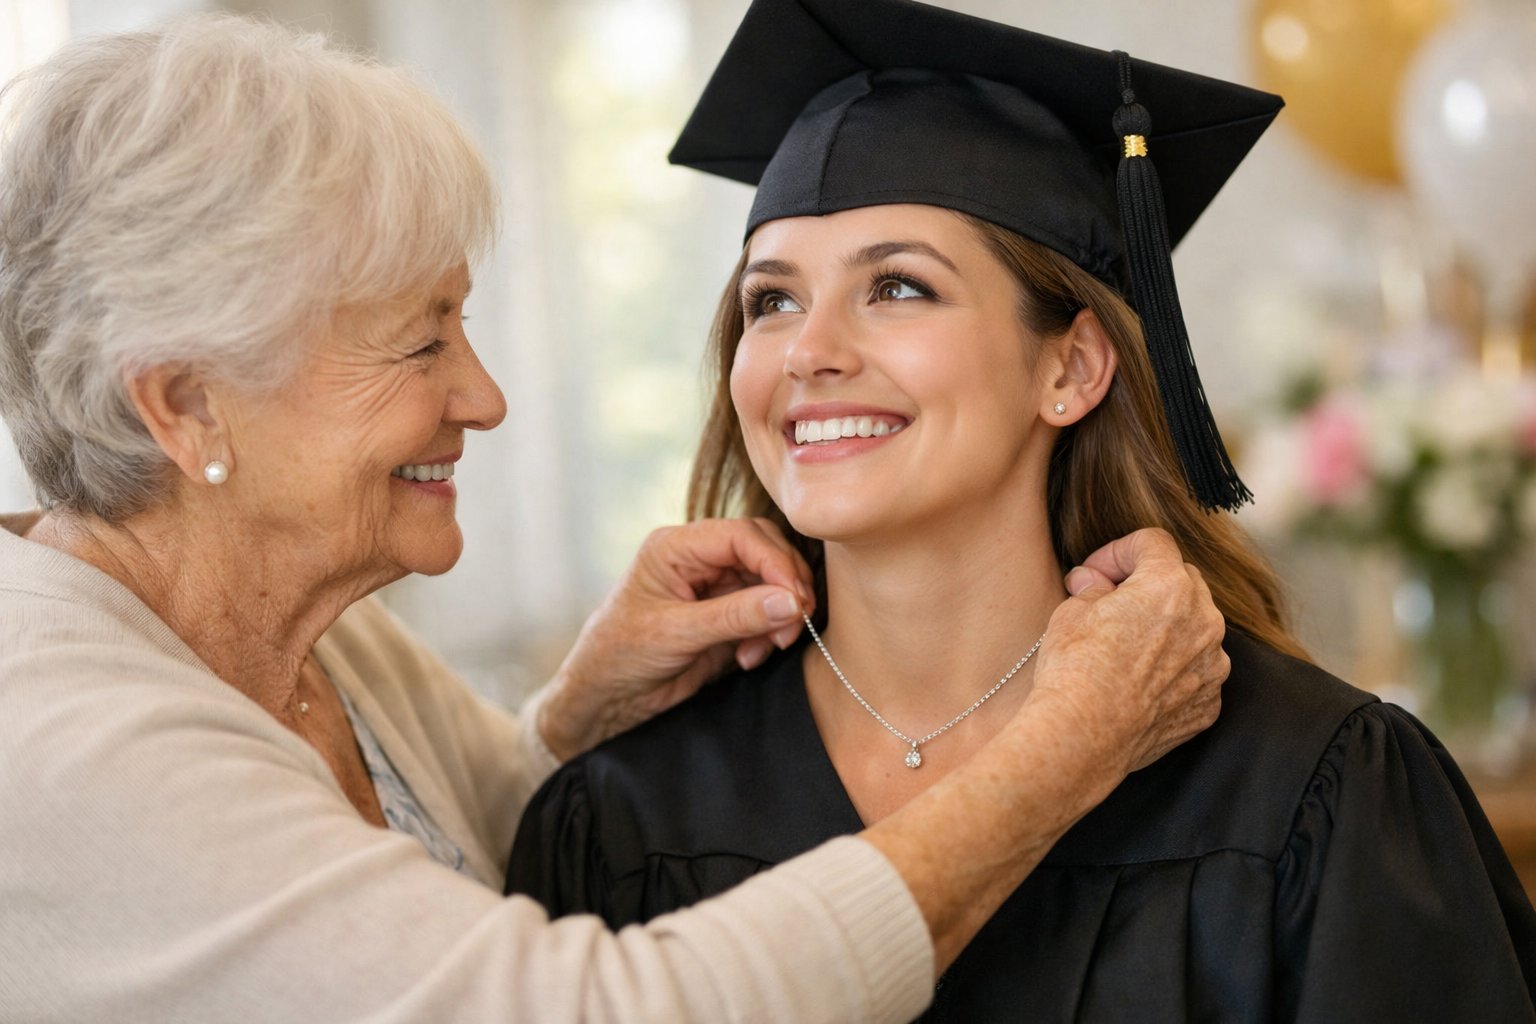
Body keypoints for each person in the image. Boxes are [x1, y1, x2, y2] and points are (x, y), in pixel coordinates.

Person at [0, 14, 1232, 1022]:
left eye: (899, 288)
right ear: (187, 405)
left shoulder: (317, 645)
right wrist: (1070, 745)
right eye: (419, 340)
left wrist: (580, 712)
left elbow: (451, 856)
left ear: (1071, 366)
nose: (481, 397)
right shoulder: (60, 738)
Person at [506, 0, 1536, 1020]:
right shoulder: (626, 813)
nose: (808, 350)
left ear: (1074, 366)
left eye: (899, 288)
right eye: (770, 300)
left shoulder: (1313, 784)